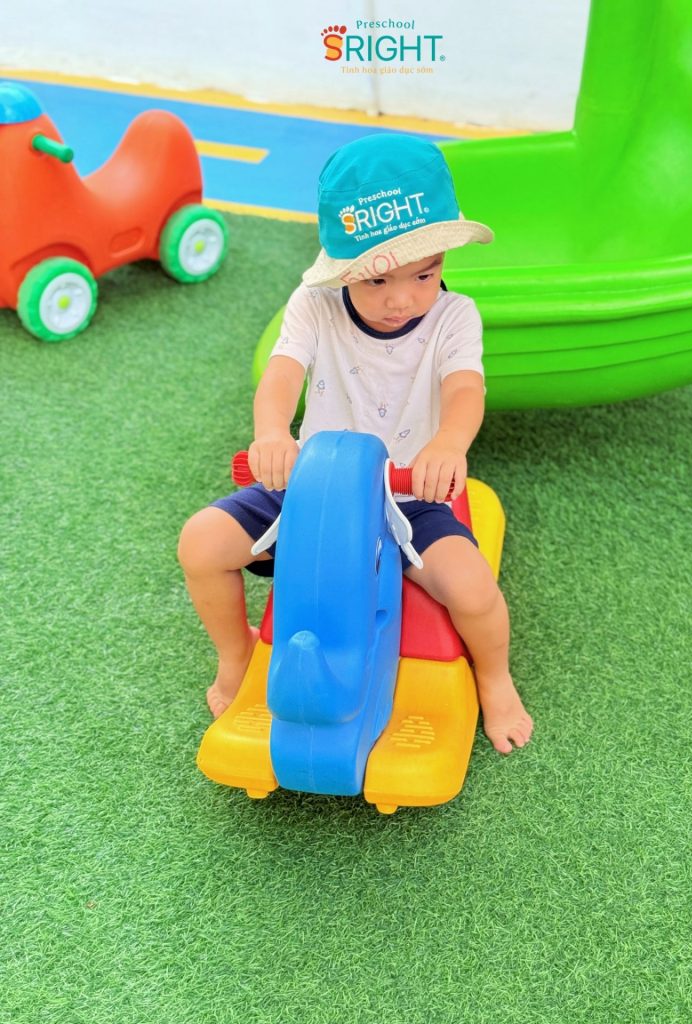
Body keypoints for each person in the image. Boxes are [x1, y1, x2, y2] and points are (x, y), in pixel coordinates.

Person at [178, 133, 533, 754]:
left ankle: (496, 679)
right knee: (200, 543)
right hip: (313, 489)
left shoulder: (454, 317)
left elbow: (465, 390)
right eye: (376, 281)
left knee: (474, 590)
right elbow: (282, 374)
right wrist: (272, 434)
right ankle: (235, 656)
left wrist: (449, 444)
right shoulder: (314, 306)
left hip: (409, 495)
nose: (403, 298)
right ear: (343, 271)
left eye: (426, 274)